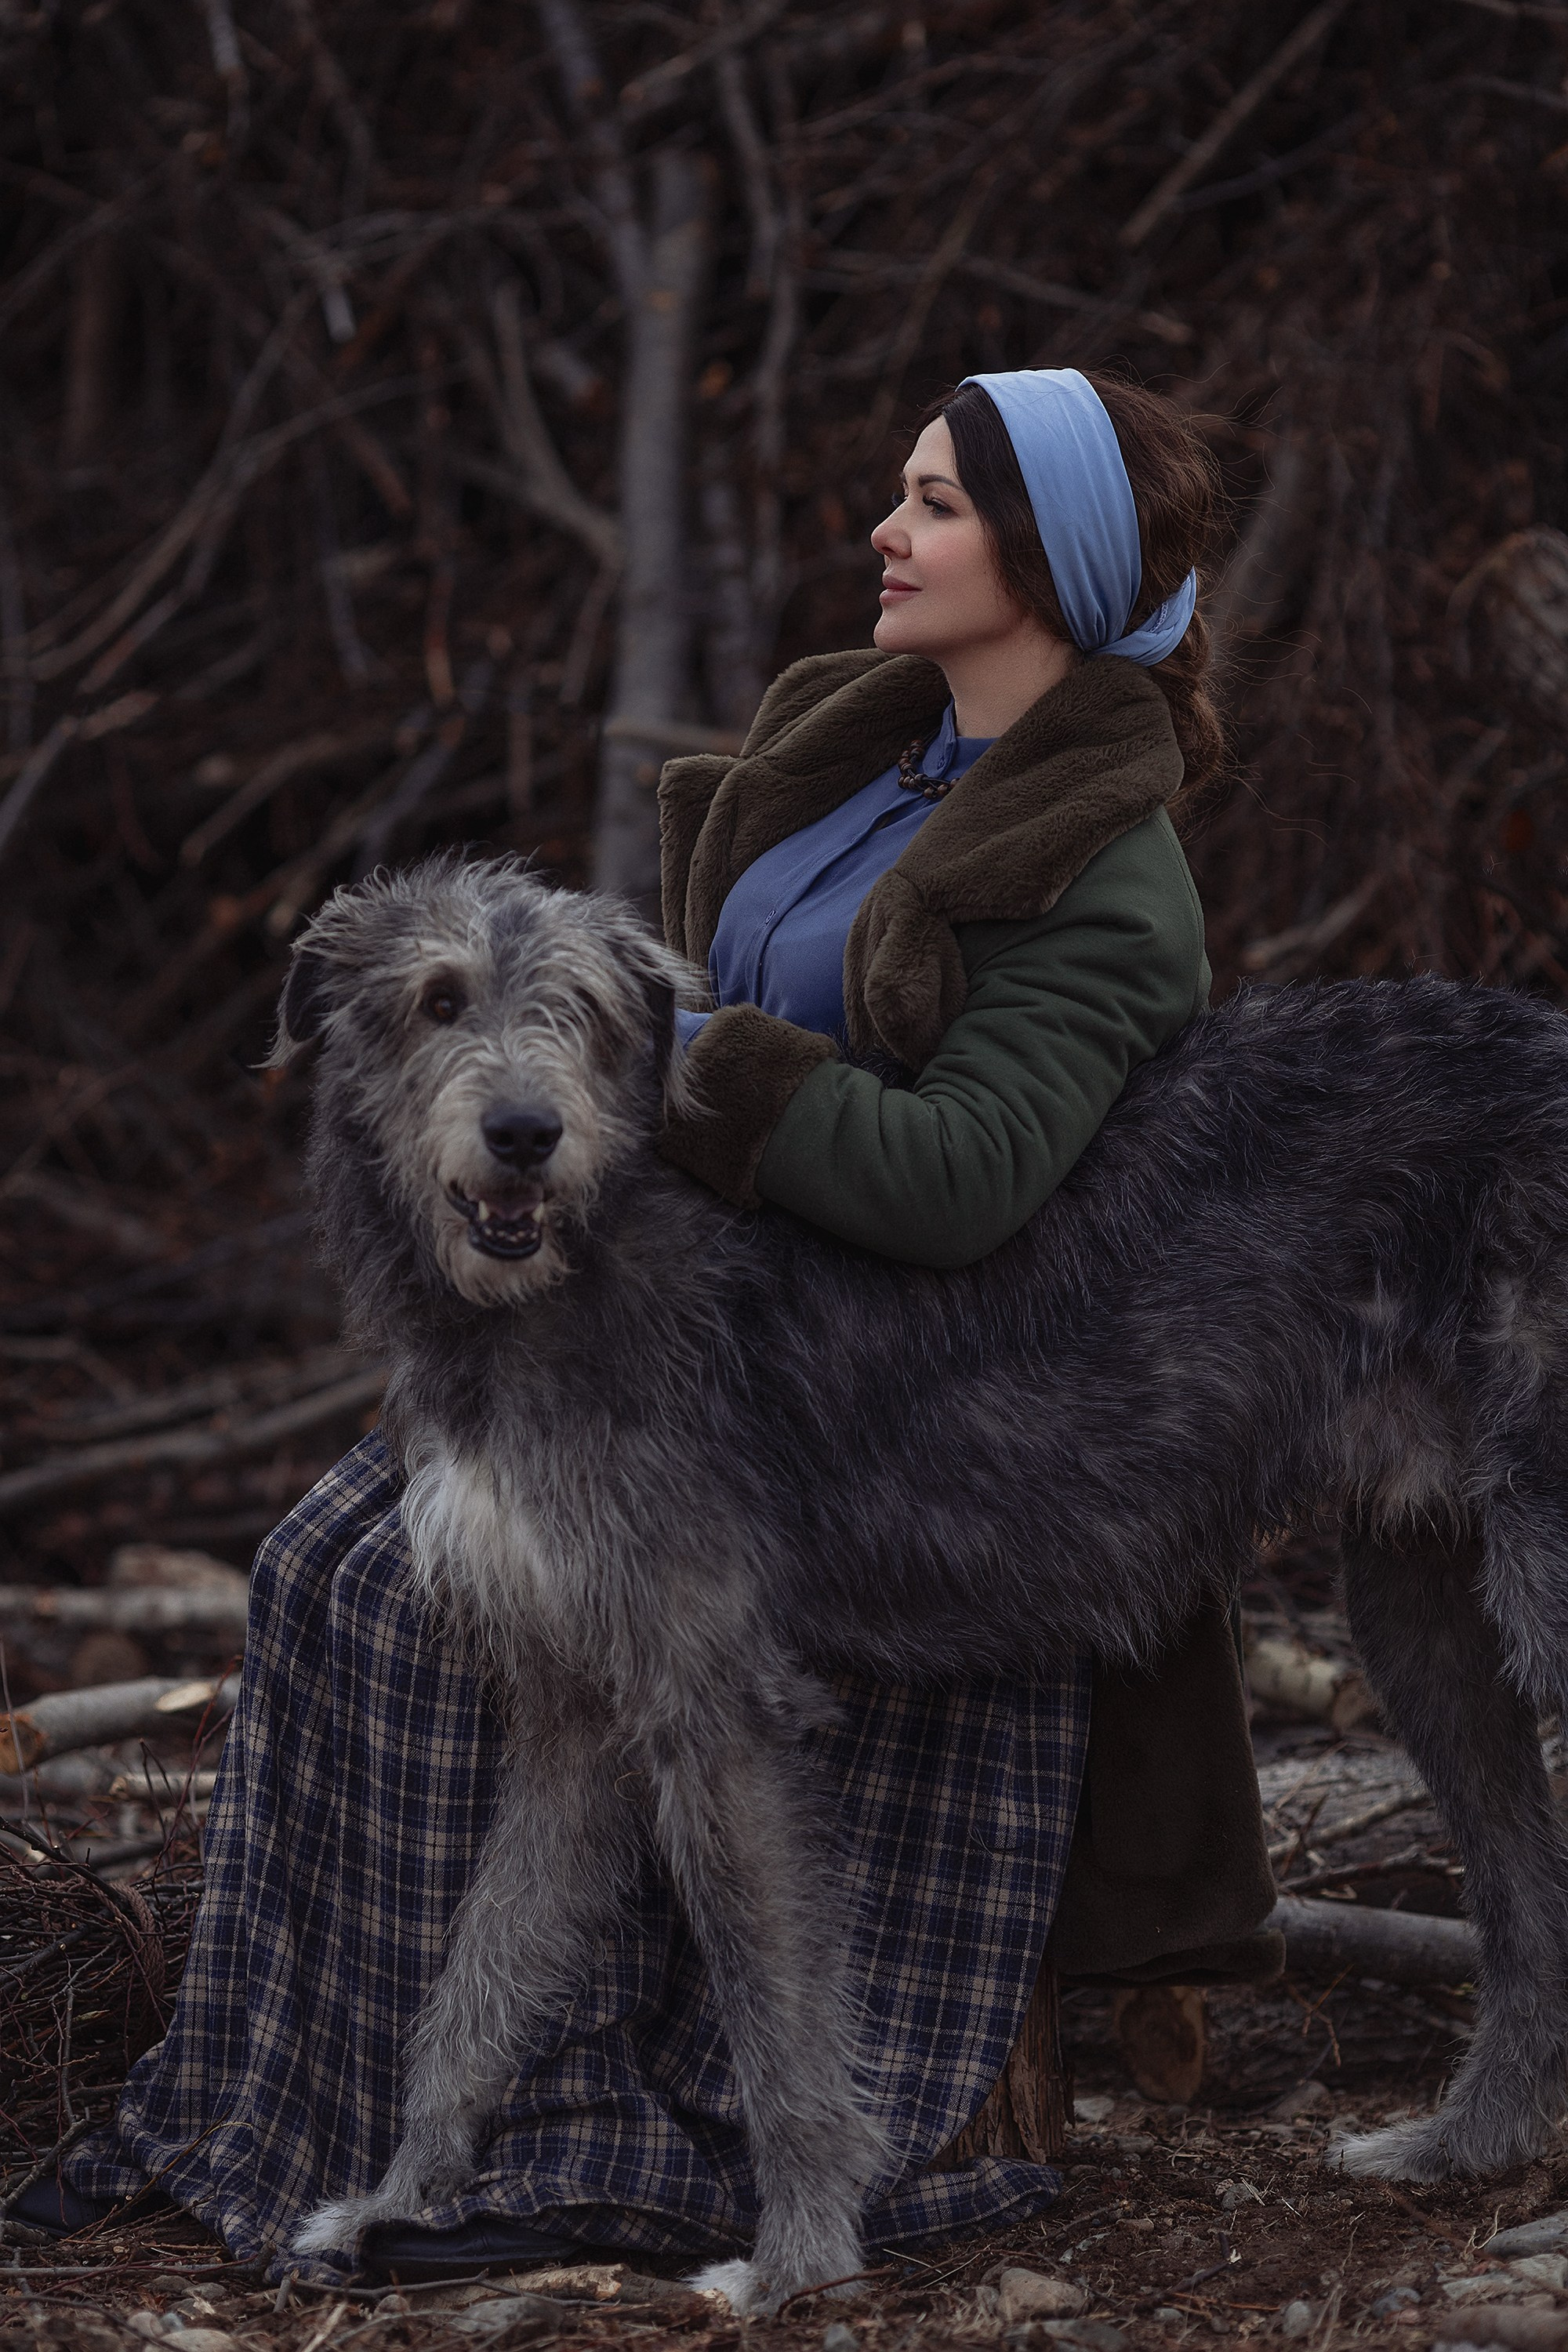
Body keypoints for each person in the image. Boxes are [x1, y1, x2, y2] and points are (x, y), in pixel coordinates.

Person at [33, 368, 1275, 2281]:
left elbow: (964, 1185)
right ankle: (308, 2107)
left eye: (934, 506)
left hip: (901, 1400)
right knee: (312, 1575)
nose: (887, 529)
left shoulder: (1109, 865)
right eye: (901, 494)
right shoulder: (868, 750)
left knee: (404, 1626)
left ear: (1043, 565)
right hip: (663, 1327)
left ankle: (563, 2125)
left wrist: (687, 1060)